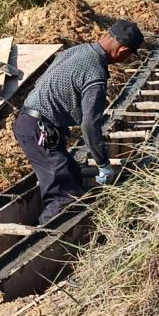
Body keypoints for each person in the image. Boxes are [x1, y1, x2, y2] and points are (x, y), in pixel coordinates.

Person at [14, 20, 144, 224]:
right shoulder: (96, 73)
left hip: (32, 122)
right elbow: (89, 125)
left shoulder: (79, 50)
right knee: (65, 195)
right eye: (128, 56)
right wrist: (103, 163)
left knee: (72, 173)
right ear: (123, 50)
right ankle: (44, 238)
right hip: (40, 130)